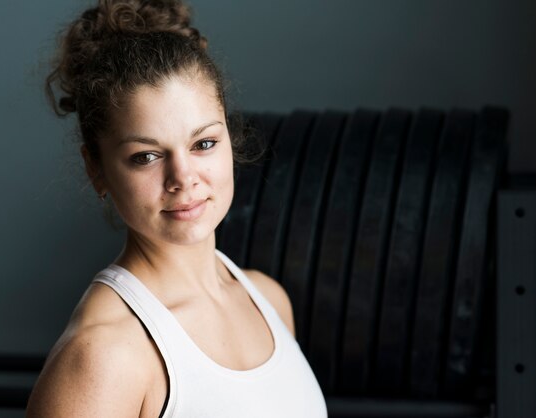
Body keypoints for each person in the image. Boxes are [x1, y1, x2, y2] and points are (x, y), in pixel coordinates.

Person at [25, 0, 327, 416]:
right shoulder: (105, 356)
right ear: (96, 169)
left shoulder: (269, 300)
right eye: (146, 156)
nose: (183, 178)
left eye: (204, 144)